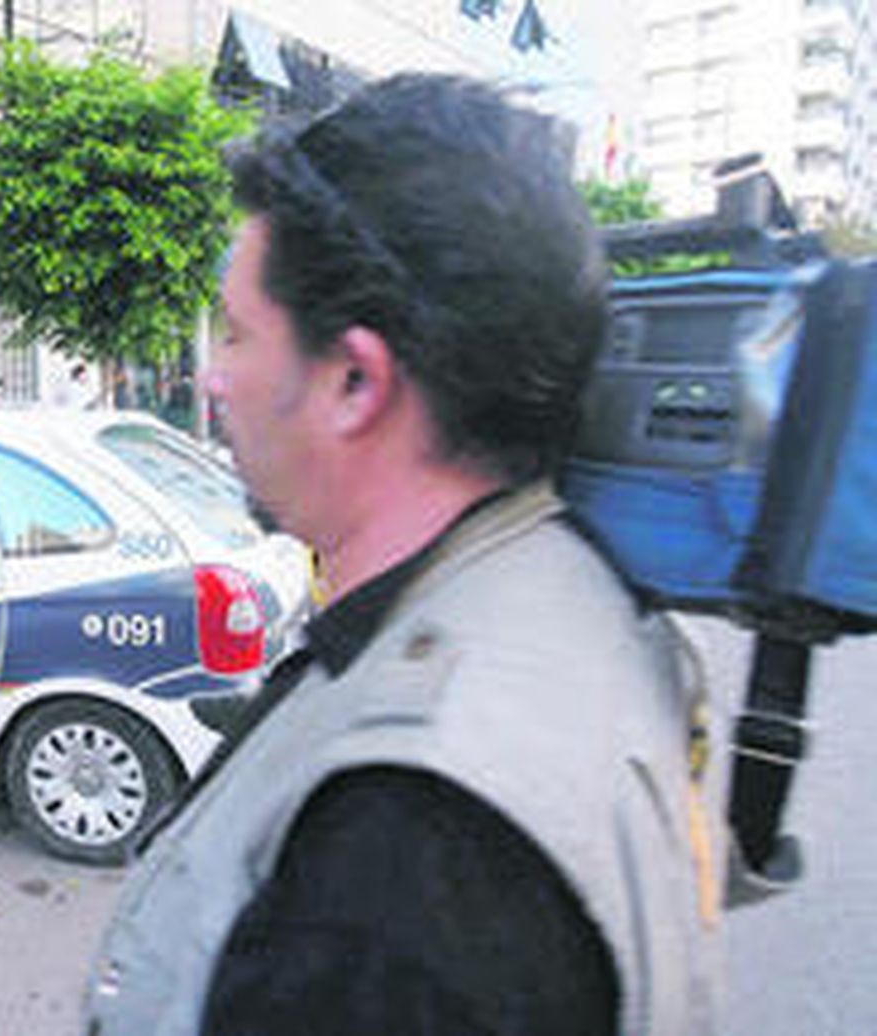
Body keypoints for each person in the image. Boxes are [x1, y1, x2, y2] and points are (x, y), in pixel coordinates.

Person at [86, 75, 721, 1036]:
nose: (211, 378)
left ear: (354, 380)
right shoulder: (580, 590)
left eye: (236, 332)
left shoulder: (397, 864)